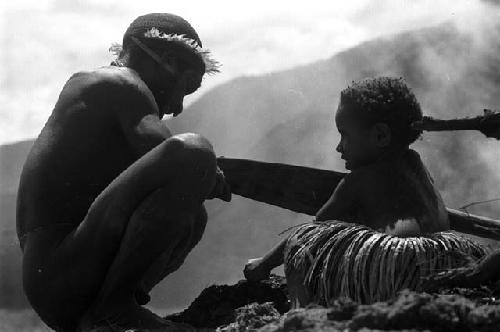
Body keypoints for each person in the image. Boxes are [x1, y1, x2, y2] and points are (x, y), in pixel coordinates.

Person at [16, 13, 231, 331]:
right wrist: (208, 170)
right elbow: (165, 147)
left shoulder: (112, 95)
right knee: (194, 150)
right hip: (60, 271)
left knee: (193, 215)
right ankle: (113, 308)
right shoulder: (119, 82)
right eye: (185, 88)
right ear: (167, 60)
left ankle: (109, 313)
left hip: (66, 279)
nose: (178, 107)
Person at [244, 77, 450, 304]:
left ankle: (304, 312)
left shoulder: (360, 180)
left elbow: (313, 231)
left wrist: (263, 264)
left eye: (344, 134)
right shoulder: (416, 164)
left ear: (380, 136)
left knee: (299, 248)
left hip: (399, 269)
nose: (339, 147)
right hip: (446, 261)